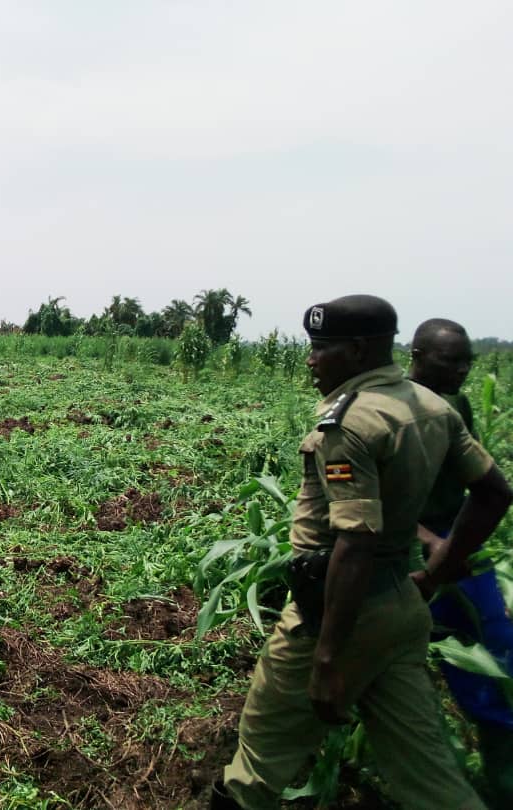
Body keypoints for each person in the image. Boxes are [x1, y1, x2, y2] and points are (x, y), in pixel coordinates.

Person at [213, 295, 512, 810]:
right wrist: (436, 573)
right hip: (401, 611)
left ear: (356, 351)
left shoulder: (350, 424)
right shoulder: (433, 407)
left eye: (321, 348)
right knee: (432, 781)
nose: (311, 360)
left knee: (255, 768)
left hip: (334, 615)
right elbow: (494, 492)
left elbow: (354, 542)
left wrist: (327, 657)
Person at [409, 318, 513, 806]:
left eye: (467, 360)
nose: (463, 369)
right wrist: (429, 541)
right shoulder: (389, 410)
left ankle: (502, 762)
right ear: (416, 356)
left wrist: (452, 546)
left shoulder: (457, 405)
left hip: (455, 538)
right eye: (450, 360)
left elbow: (480, 483)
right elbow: (368, 501)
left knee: (495, 645)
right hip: (402, 543)